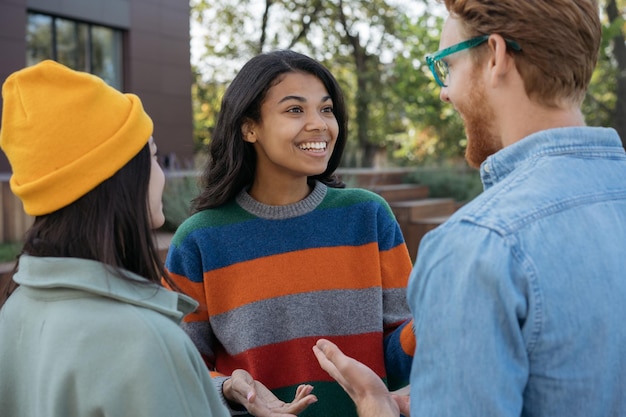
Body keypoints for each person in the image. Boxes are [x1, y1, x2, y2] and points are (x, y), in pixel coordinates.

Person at [311, 0, 626, 416]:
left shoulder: (477, 246)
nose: (444, 92)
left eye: (447, 66)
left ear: (495, 56)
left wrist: (376, 406)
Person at [0, 60, 313, 417]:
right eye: (152, 155)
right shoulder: (141, 341)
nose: (162, 174)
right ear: (119, 179)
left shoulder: (16, 309)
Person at [164, 49, 415, 417]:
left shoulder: (367, 216)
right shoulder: (199, 241)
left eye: (326, 109)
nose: (319, 124)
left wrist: (438, 316)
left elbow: (397, 361)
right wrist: (231, 387)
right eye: (295, 110)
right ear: (249, 127)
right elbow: (180, 369)